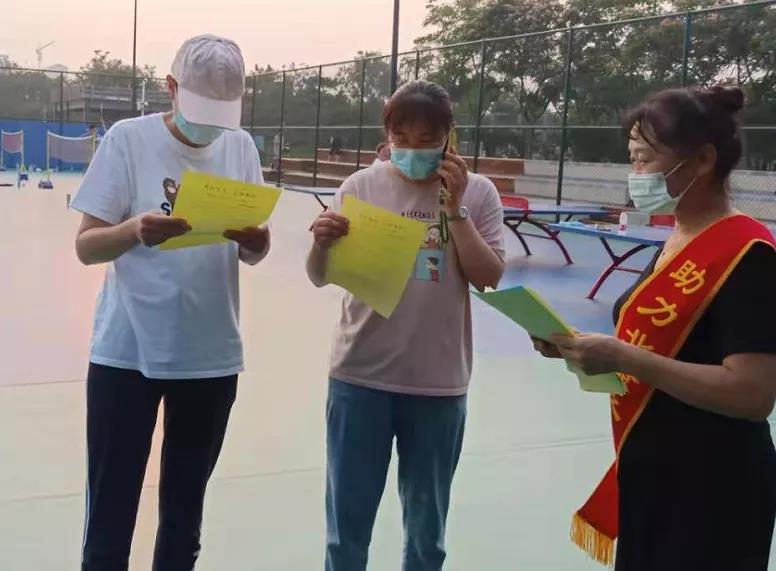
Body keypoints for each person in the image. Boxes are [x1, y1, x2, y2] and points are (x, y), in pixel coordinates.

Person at [533, 86, 776, 570]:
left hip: (713, 488)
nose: (635, 174)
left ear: (703, 159)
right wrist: (577, 348)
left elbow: (753, 394)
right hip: (652, 472)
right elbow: (664, 349)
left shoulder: (748, 255)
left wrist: (623, 356)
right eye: (632, 159)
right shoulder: (676, 239)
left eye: (645, 159)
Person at [71, 34, 270, 571]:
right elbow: (86, 246)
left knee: (184, 522)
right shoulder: (127, 141)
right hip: (126, 354)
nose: (211, 127)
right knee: (109, 521)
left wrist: (256, 242)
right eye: (201, 110)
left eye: (222, 114)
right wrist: (134, 230)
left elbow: (254, 253)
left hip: (209, 356)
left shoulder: (240, 147)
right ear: (171, 87)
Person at [306, 80, 506, 571]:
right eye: (402, 138)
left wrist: (455, 210)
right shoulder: (361, 186)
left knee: (426, 535)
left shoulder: (479, 193)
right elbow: (319, 275)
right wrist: (321, 244)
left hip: (437, 384)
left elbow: (489, 276)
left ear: (449, 137)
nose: (413, 150)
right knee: (346, 531)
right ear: (388, 135)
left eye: (426, 139)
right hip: (360, 377)